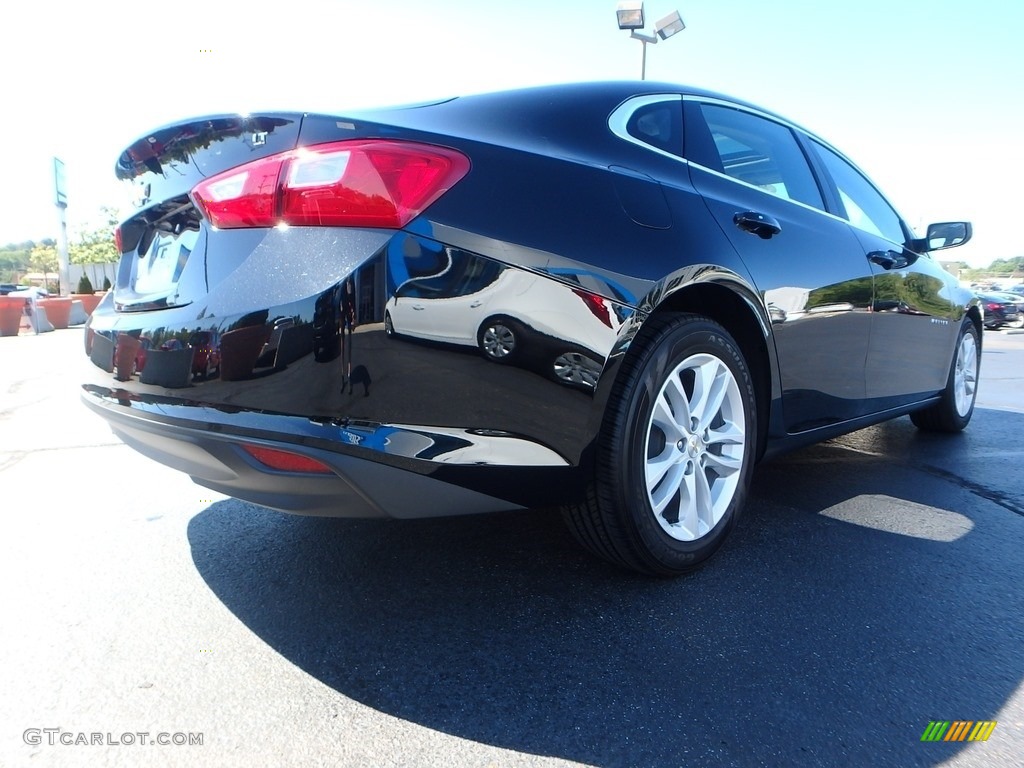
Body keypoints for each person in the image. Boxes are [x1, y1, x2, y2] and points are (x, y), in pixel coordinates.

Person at [339, 279, 356, 393]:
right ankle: (343, 375)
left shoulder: (350, 280)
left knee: (348, 345)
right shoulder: (340, 281)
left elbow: (352, 296)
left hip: (347, 309)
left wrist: (353, 316)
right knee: (343, 346)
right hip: (342, 309)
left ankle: (348, 375)